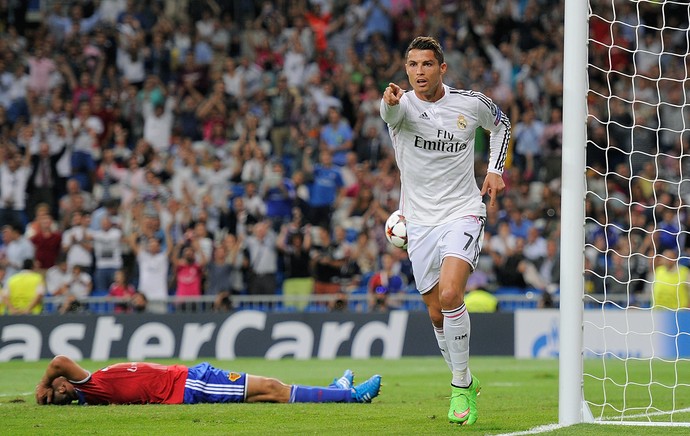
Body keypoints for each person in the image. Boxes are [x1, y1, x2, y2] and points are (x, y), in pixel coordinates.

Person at [380, 36, 510, 426]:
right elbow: (390, 116)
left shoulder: (470, 104)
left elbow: (501, 124)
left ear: (442, 69)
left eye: (426, 64)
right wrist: (388, 103)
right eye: (412, 65)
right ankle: (467, 380)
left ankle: (457, 387)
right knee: (437, 314)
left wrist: (495, 170)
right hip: (418, 221)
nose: (419, 72)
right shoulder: (399, 106)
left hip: (463, 211)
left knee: (452, 293)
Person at [36, 355, 381, 406]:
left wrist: (48, 389)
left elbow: (61, 366)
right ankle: (349, 396)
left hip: (187, 378)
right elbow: (58, 361)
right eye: (58, 390)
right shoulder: (89, 388)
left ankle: (336, 391)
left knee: (263, 394)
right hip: (188, 384)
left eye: (57, 385)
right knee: (273, 388)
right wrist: (41, 387)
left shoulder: (88, 386)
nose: (61, 385)